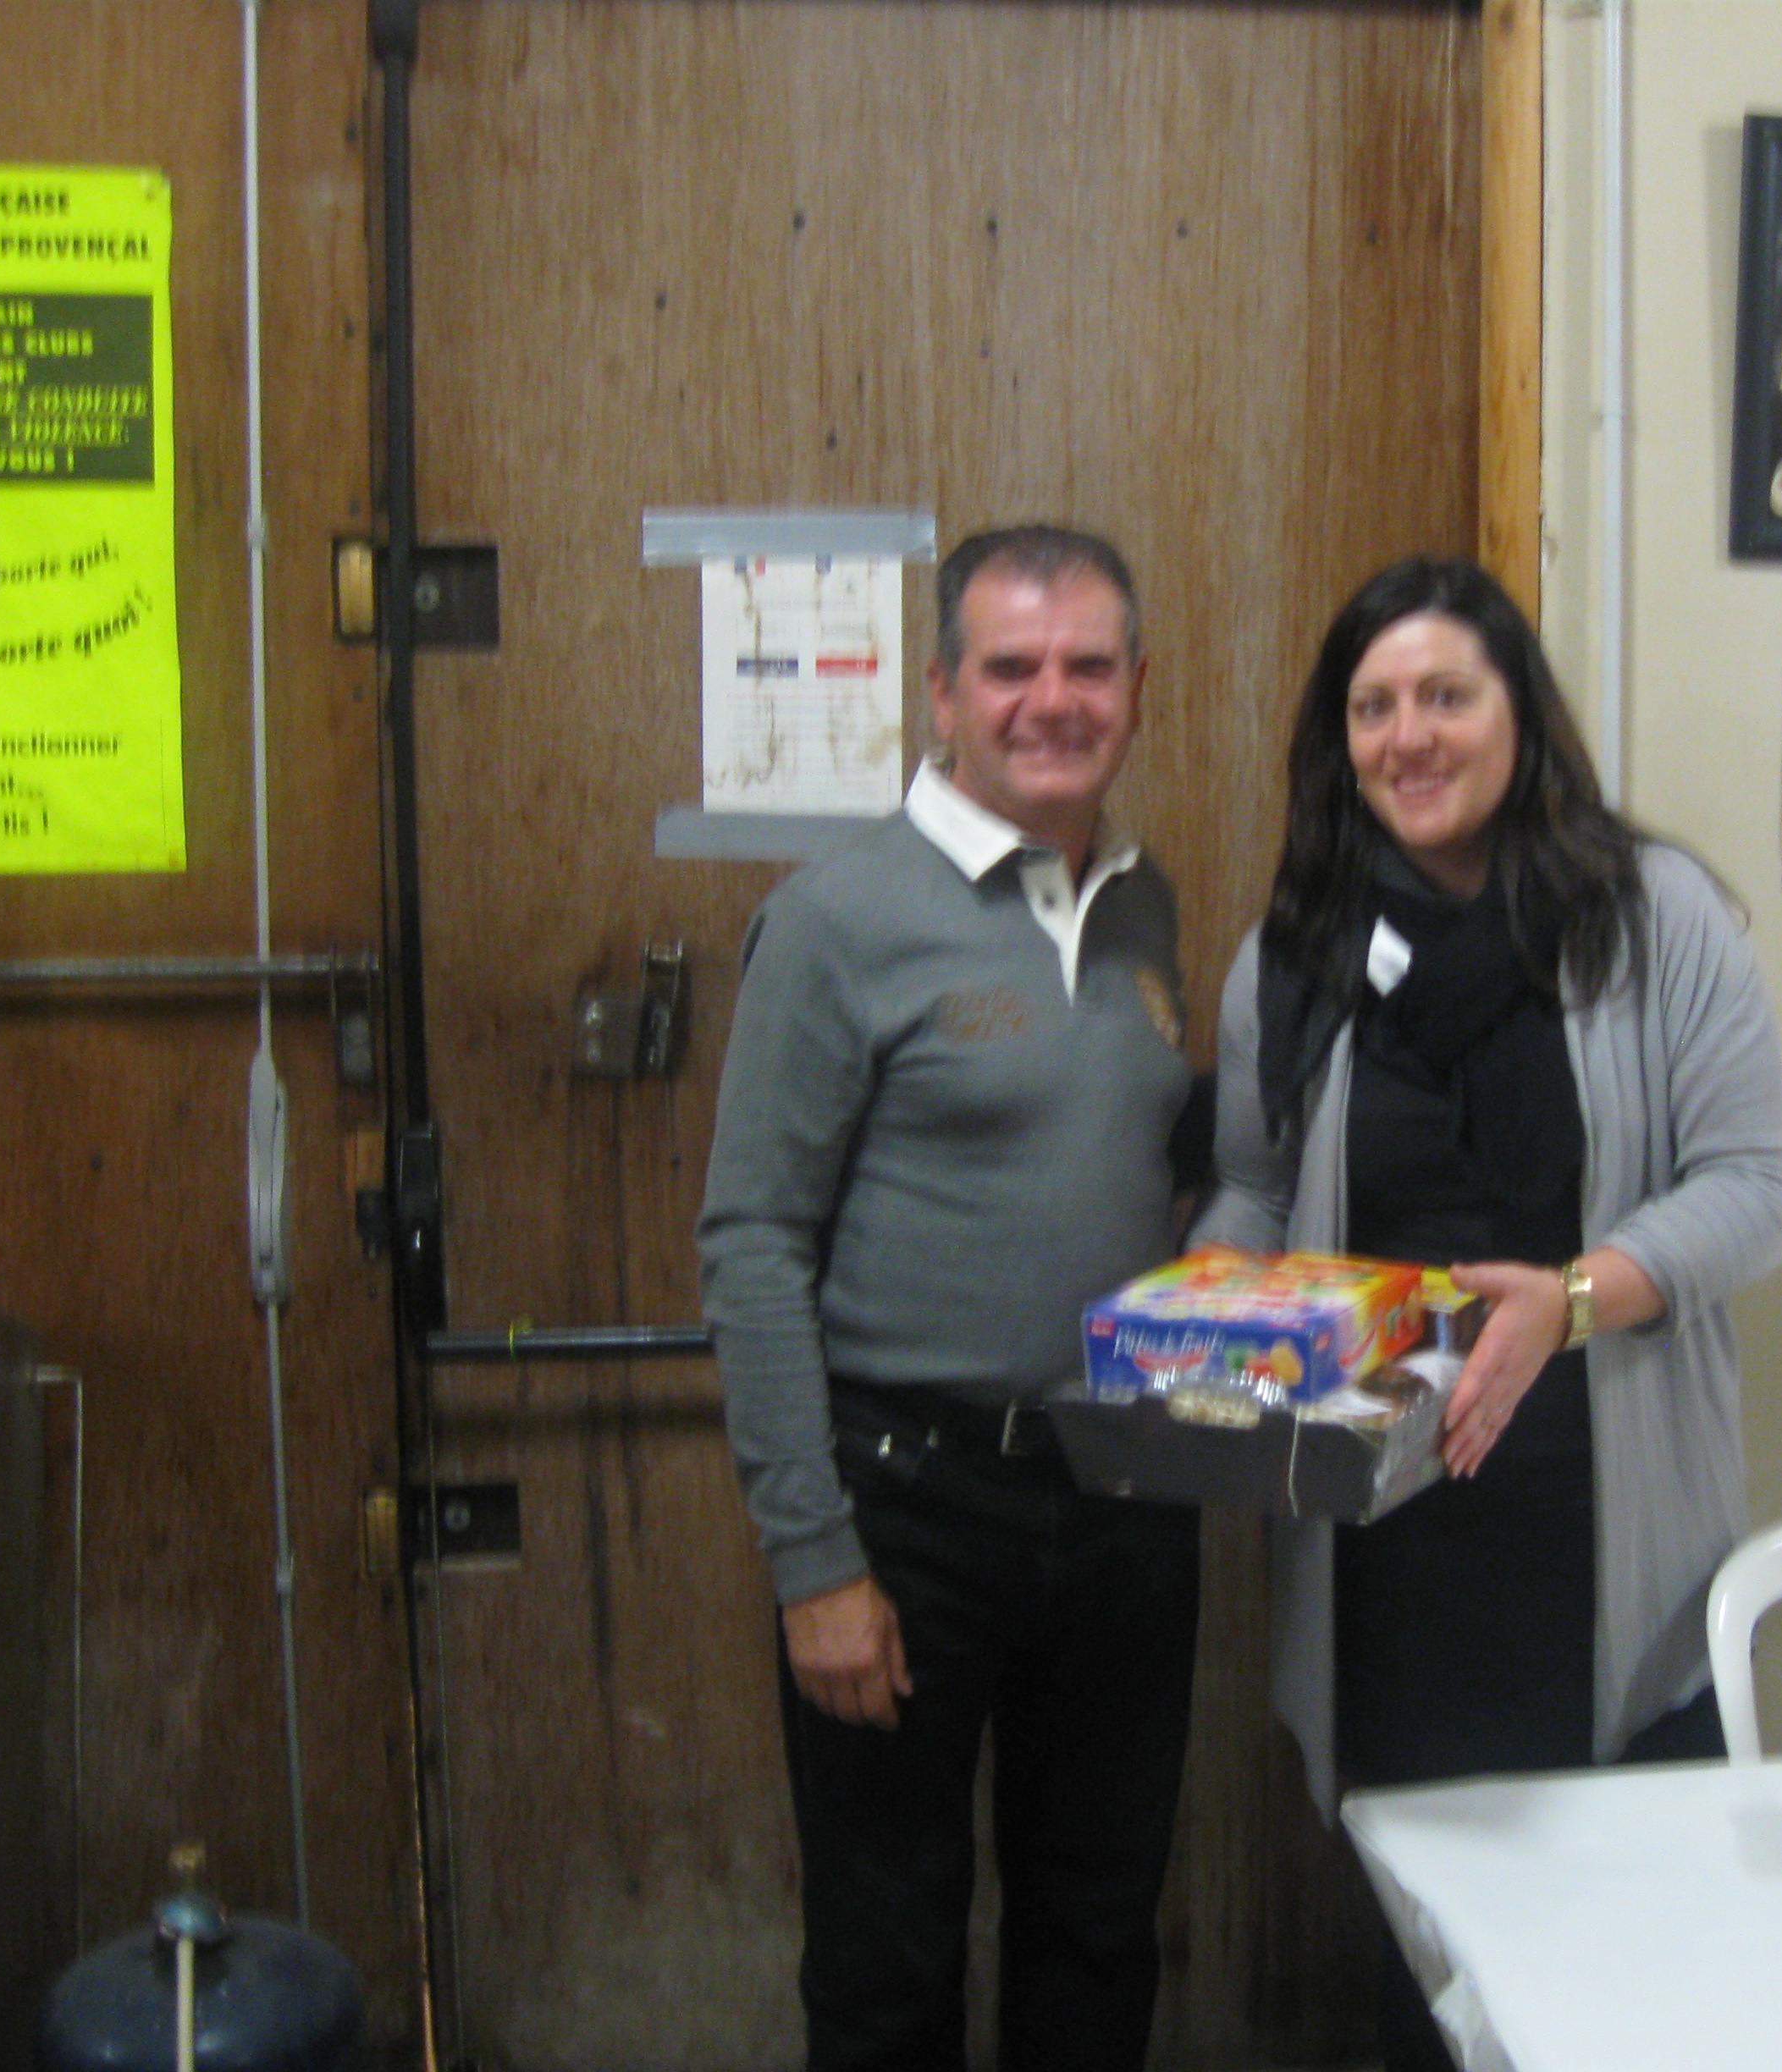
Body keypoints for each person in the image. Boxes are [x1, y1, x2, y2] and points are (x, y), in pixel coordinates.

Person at [1191, 556, 1782, 2072]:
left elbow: (1753, 1188)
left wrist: (1572, 1303)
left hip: (1605, 1529)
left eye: (1446, 696)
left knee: (1634, 1978)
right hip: (1388, 1547)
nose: (1410, 736)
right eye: (1373, 707)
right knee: (1433, 1968)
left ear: (1519, 712)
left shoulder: (1652, 918)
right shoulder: (1296, 952)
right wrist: (1205, 1316)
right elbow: (1253, 1188)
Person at [697, 523, 1201, 2072]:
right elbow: (752, 1243)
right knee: (887, 1963)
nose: (1053, 700)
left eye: (1089, 666)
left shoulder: (1146, 906)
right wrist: (813, 1563)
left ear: (1138, 687)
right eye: (1011, 667)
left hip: (1125, 1498)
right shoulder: (835, 918)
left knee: (1099, 1934)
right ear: (940, 693)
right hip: (908, 1514)